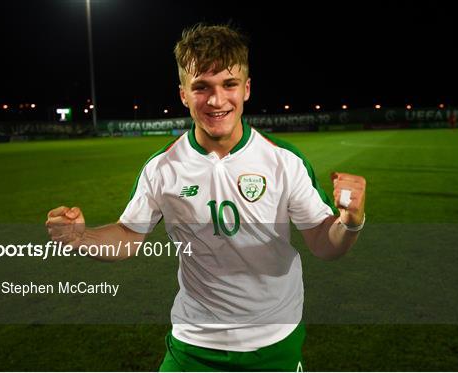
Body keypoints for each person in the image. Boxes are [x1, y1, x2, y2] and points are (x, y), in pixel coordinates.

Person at [46, 23, 366, 372]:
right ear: (183, 93)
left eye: (229, 84)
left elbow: (324, 243)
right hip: (193, 344)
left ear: (246, 89)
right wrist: (83, 237)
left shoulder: (283, 160)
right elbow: (128, 236)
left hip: (272, 344)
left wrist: (350, 222)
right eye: (201, 87)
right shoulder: (163, 167)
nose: (216, 100)